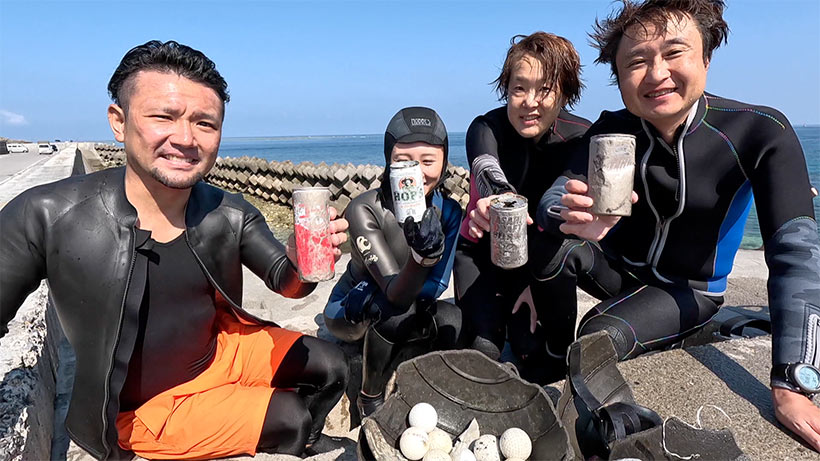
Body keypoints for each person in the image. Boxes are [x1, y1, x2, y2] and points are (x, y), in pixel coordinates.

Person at [0, 40, 351, 460]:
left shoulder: (227, 210)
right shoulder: (47, 214)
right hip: (142, 408)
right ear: (119, 121)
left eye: (205, 123)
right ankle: (289, 436)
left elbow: (287, 283)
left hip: (219, 352)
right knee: (291, 416)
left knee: (332, 366)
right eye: (163, 116)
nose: (185, 138)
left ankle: (293, 435)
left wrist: (300, 261)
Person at [535, 0, 820, 450]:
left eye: (673, 53)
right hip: (619, 271)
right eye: (637, 61)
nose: (655, 73)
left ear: (706, 57)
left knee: (594, 336)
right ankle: (544, 369)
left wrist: (794, 380)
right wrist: (567, 212)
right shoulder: (611, 129)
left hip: (687, 290)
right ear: (619, 76)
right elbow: (555, 195)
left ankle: (632, 441)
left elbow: (797, 253)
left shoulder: (760, 131)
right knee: (551, 248)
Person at [453, 32, 593, 384]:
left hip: (539, 266)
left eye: (544, 89)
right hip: (481, 257)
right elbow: (486, 168)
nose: (530, 102)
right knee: (482, 350)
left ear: (564, 90)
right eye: (519, 88)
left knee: (538, 359)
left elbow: (561, 215)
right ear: (507, 89)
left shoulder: (580, 137)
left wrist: (540, 285)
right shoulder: (488, 127)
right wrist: (496, 199)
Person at [323, 107, 465, 417]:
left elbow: (438, 283)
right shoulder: (365, 208)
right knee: (393, 311)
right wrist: (422, 256)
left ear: (443, 162)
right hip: (354, 304)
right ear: (388, 161)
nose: (416, 171)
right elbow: (393, 293)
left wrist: (424, 273)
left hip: (410, 296)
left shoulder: (450, 211)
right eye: (403, 161)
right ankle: (369, 398)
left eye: (428, 161)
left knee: (454, 319)